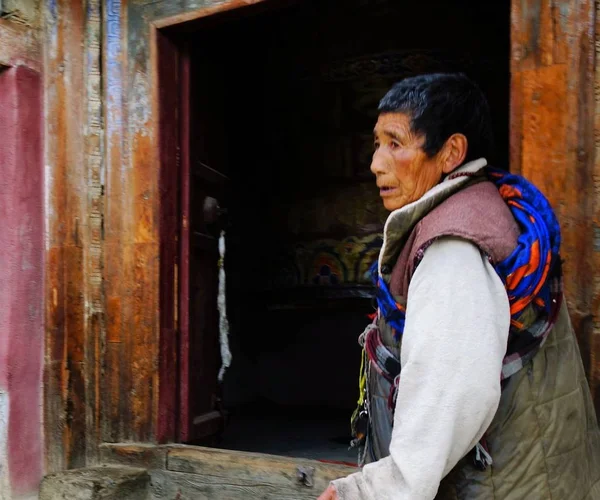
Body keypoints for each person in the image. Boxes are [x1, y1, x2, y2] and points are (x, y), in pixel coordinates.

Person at [317, 73, 600, 500]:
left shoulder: (453, 246)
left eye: (395, 143)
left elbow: (448, 392)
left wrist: (370, 492)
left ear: (451, 152)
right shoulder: (481, 208)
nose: (376, 163)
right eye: (377, 144)